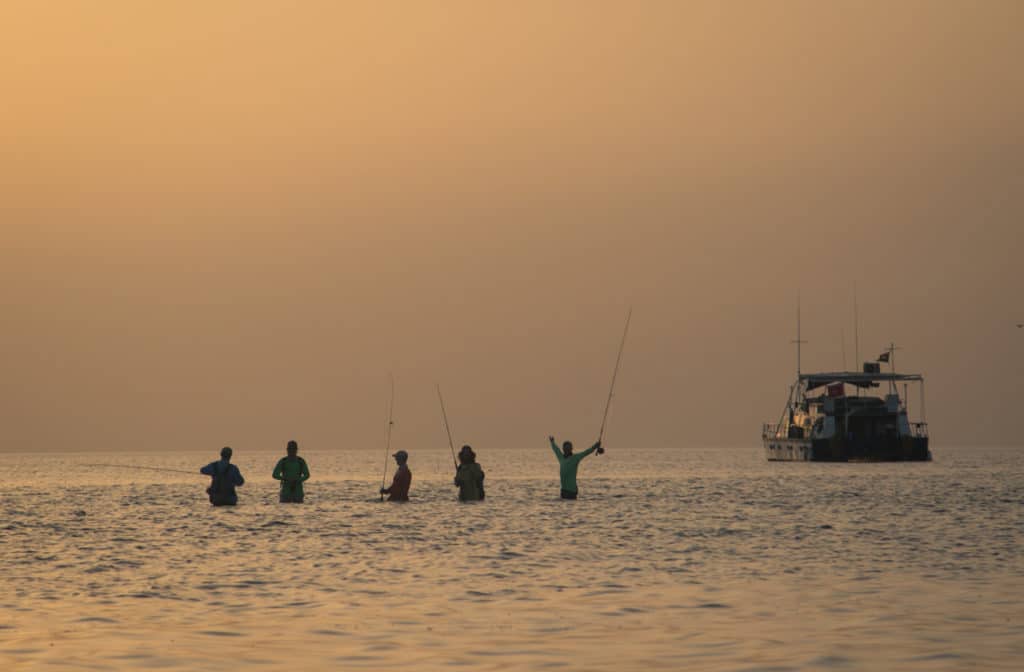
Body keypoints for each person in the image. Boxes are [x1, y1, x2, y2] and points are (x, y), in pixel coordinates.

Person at [548, 436, 603, 500]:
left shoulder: (575, 458)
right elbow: (556, 449)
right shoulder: (561, 457)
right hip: (564, 491)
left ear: (571, 449)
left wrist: (595, 446)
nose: (567, 450)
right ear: (563, 449)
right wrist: (552, 442)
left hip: (572, 491)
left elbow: (586, 452)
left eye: (569, 448)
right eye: (566, 448)